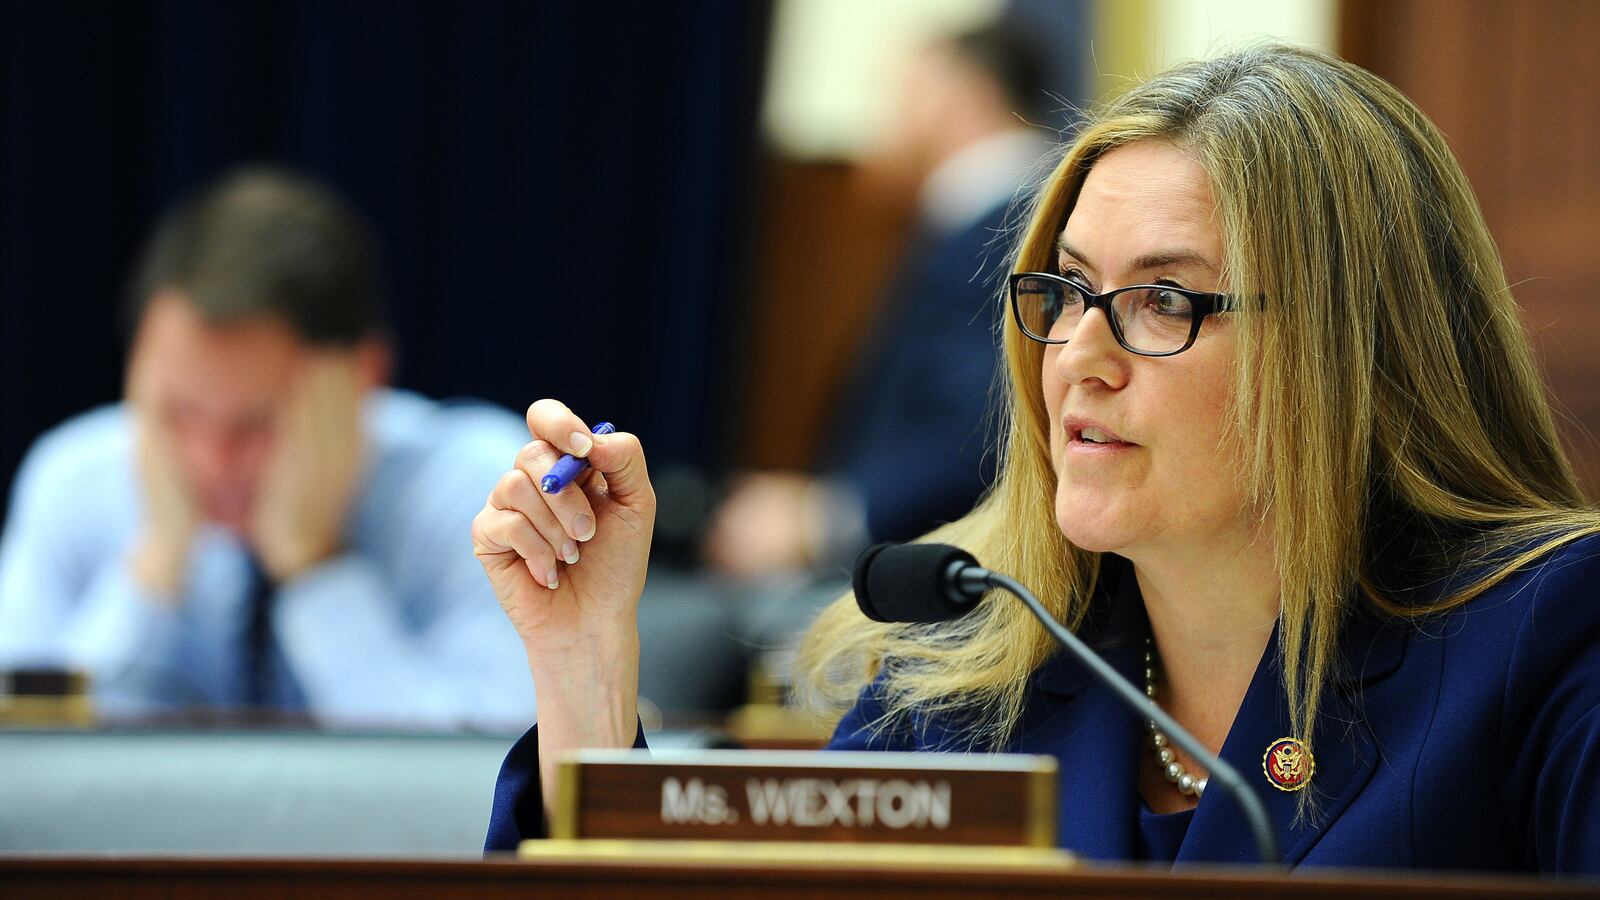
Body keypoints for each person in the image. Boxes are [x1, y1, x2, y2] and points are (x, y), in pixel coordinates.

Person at [475, 44, 1600, 870]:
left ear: (1350, 349)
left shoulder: (1547, 638)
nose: (1076, 356)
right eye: (1063, 291)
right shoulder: (958, 688)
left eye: (1161, 299)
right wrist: (583, 668)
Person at [0, 167, 536, 730]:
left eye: (255, 424)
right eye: (178, 412)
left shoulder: (477, 494)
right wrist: (151, 573)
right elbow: (29, 774)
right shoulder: (71, 480)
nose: (210, 459)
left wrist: (316, 568)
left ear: (364, 377)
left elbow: (489, 776)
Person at [703, 25, 1050, 577]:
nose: (884, 122)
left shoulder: (1003, 228)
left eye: (905, 96)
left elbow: (988, 422)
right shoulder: (982, 220)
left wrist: (825, 521)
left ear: (965, 97)